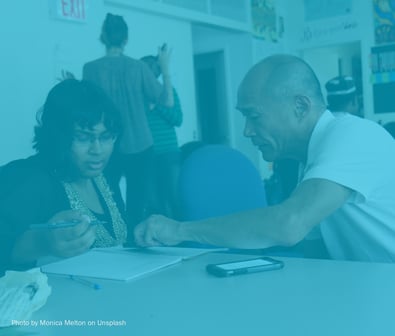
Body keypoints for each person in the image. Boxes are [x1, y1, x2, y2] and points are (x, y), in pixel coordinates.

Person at [134, 54, 395, 263]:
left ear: (300, 107)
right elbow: (315, 253)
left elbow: (288, 225)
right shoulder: (311, 161)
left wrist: (180, 230)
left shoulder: (351, 135)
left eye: (254, 116)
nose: (247, 130)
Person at [0, 79, 127, 273]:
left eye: (106, 136)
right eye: (83, 137)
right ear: (57, 136)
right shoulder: (27, 178)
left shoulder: (103, 175)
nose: (97, 149)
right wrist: (41, 242)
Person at [83, 13, 174, 228]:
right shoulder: (138, 67)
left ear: (102, 37)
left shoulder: (90, 69)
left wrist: (73, 85)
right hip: (141, 144)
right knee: (137, 204)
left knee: (110, 202)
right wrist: (165, 67)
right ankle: (135, 245)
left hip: (108, 146)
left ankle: (117, 243)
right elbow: (167, 101)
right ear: (126, 40)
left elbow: (87, 108)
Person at [140, 54, 183, 218]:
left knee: (175, 199)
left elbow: (177, 119)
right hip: (146, 155)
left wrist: (157, 105)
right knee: (153, 203)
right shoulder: (137, 97)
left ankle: (182, 237)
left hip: (169, 154)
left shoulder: (169, 92)